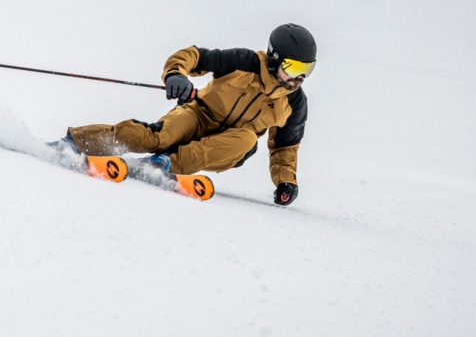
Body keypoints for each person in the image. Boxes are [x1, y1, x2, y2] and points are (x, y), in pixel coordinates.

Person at [51, 23, 316, 206]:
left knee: (247, 140)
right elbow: (193, 56)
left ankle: (164, 164)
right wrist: (176, 74)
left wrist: (285, 182)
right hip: (198, 113)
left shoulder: (294, 103)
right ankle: (74, 142)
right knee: (156, 137)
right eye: (293, 68)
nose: (299, 77)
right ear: (274, 57)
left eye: (307, 69)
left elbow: (285, 149)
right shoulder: (243, 62)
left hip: (229, 143)